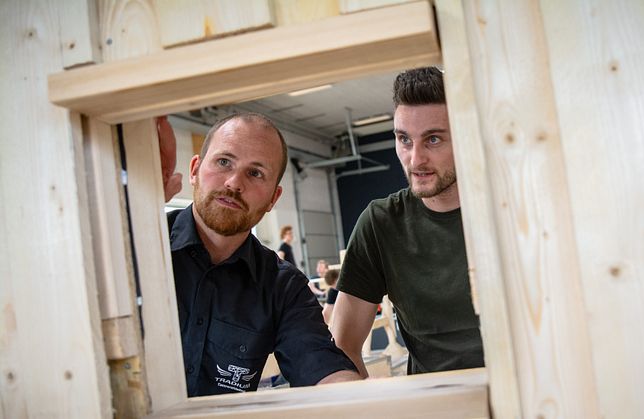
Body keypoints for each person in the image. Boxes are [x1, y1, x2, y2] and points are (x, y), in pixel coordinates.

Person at [157, 113, 360, 397]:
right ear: (194, 169)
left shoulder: (283, 287)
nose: (234, 183)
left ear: (273, 199)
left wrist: (359, 401)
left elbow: (319, 364)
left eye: (255, 173)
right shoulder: (138, 245)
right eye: (224, 162)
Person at [331, 67, 484, 377]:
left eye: (434, 139)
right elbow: (342, 346)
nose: (415, 159)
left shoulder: (510, 209)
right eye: (404, 139)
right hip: (432, 404)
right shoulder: (381, 223)